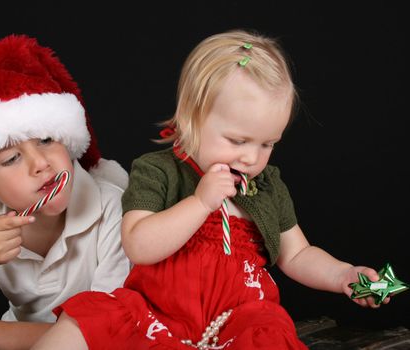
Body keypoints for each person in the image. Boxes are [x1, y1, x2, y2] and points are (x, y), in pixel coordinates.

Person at [31, 29, 390, 350]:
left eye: (268, 144)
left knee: (268, 332)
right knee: (85, 320)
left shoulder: (265, 186)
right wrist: (200, 202)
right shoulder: (159, 171)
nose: (251, 157)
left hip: (237, 320)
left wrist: (342, 274)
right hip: (158, 314)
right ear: (191, 118)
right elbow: (138, 245)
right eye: (238, 140)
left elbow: (296, 255)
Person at [0, 34, 131, 350]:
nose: (40, 163)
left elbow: (116, 329)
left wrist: (7, 337)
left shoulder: (111, 205)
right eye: (11, 158)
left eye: (48, 140)